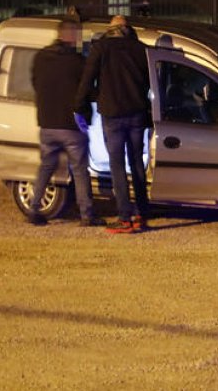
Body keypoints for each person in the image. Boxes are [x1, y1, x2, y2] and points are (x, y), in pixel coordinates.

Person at [77, 14, 152, 234]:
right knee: (136, 162)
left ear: (111, 29)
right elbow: (149, 82)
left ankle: (125, 216)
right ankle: (141, 211)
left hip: (112, 114)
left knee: (117, 165)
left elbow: (87, 79)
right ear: (128, 29)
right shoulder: (140, 49)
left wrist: (82, 104)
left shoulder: (101, 48)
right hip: (137, 113)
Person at [28, 17, 102, 226]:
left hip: (47, 123)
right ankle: (86, 214)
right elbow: (88, 90)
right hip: (71, 125)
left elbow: (35, 83)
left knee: (46, 166)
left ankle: (34, 208)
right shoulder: (77, 62)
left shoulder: (41, 57)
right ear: (71, 35)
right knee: (79, 170)